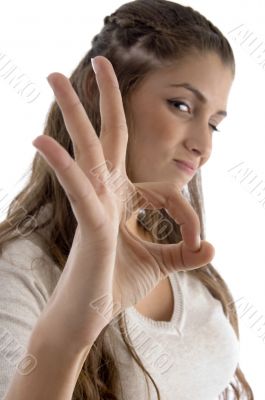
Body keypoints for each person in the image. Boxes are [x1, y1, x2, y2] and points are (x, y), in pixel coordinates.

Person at [0, 0, 254, 399]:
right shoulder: (21, 272)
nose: (203, 145)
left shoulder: (171, 252)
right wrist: (69, 334)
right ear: (99, 91)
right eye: (181, 105)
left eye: (214, 125)